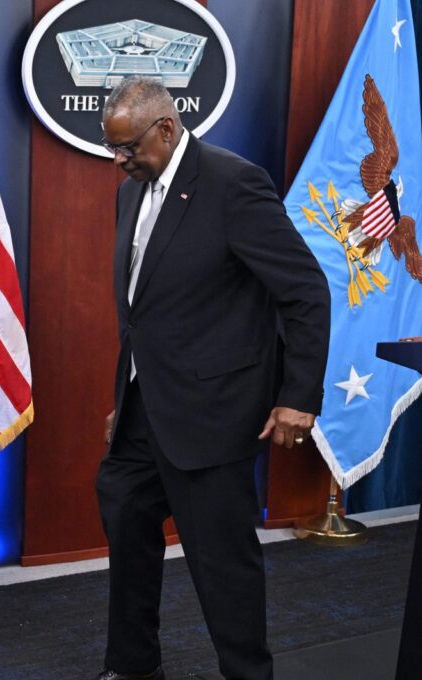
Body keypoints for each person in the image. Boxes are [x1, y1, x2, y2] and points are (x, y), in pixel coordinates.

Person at [95, 76, 330, 680]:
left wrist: (298, 397)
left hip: (216, 412)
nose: (119, 161)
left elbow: (305, 290)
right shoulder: (132, 193)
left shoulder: (233, 184)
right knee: (125, 519)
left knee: (222, 563)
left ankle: (248, 674)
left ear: (167, 129)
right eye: (113, 148)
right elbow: (143, 311)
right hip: (147, 409)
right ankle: (132, 667)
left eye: (128, 148)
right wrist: (127, 393)